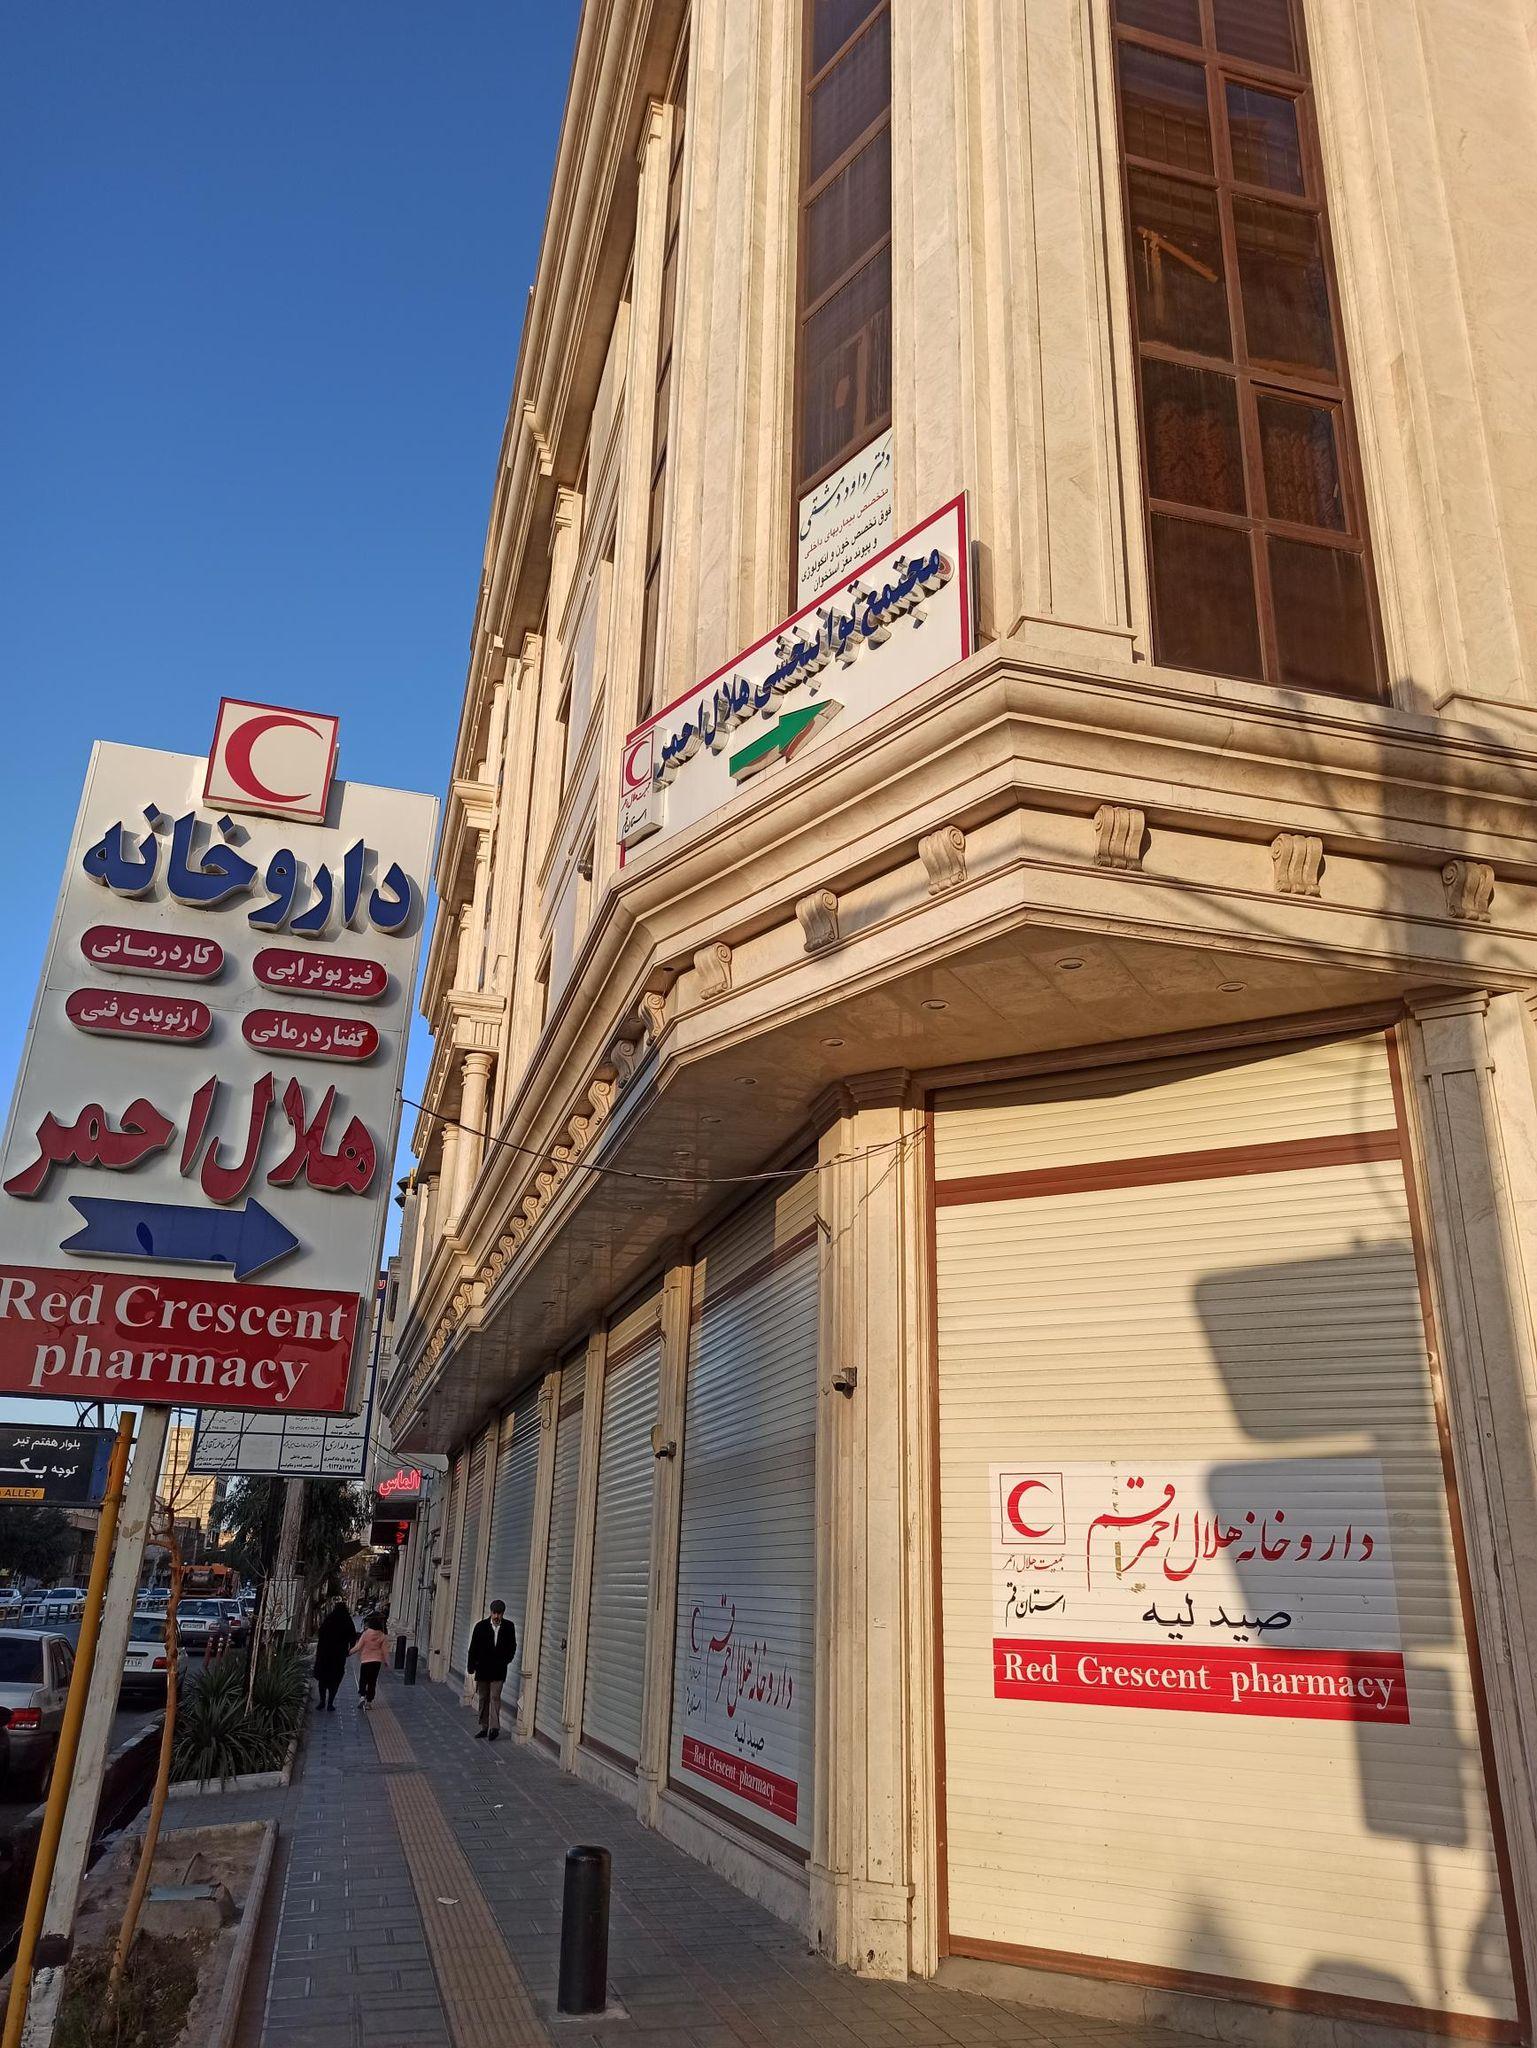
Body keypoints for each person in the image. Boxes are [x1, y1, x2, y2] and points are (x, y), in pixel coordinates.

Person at [466, 1598, 516, 1740]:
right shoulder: (480, 1626)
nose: (496, 1616)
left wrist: (506, 1660)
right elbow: (473, 1648)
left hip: (498, 1670)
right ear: (491, 1612)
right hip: (483, 1669)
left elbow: (512, 1646)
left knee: (495, 1697)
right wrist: (471, 1667)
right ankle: (484, 1726)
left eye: (499, 1614)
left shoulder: (509, 1627)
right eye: (494, 1613)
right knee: (483, 1697)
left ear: (503, 1614)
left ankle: (494, 1728)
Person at [312, 1599, 356, 1712]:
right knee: (334, 1680)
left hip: (325, 1654)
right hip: (338, 1655)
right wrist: (349, 1649)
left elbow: (320, 1633)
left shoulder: (329, 1619)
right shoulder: (347, 1620)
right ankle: (330, 1703)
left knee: (323, 1680)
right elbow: (353, 1636)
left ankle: (322, 1701)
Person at [354, 1610, 389, 1709]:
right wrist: (386, 1661)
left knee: (363, 1679)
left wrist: (349, 1653)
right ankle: (369, 1702)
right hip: (376, 1662)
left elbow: (358, 1647)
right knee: (372, 1681)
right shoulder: (382, 1636)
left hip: (366, 1661)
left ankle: (362, 1696)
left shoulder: (366, 1634)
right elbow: (385, 1650)